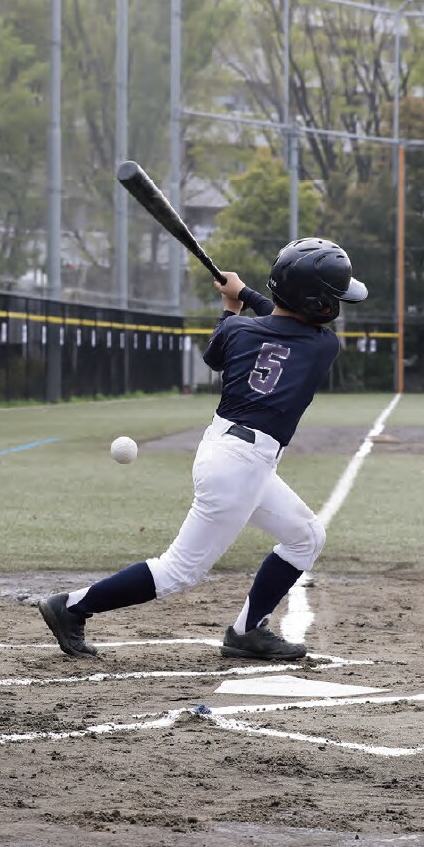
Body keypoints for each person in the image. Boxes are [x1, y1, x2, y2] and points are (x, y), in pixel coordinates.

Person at [38, 238, 368, 661]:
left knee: (305, 536)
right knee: (180, 570)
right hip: (241, 466)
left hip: (228, 452)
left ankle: (246, 632)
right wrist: (244, 294)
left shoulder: (235, 330)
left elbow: (222, 349)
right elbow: (282, 324)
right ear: (319, 304)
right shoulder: (323, 345)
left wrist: (234, 303)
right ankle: (70, 607)